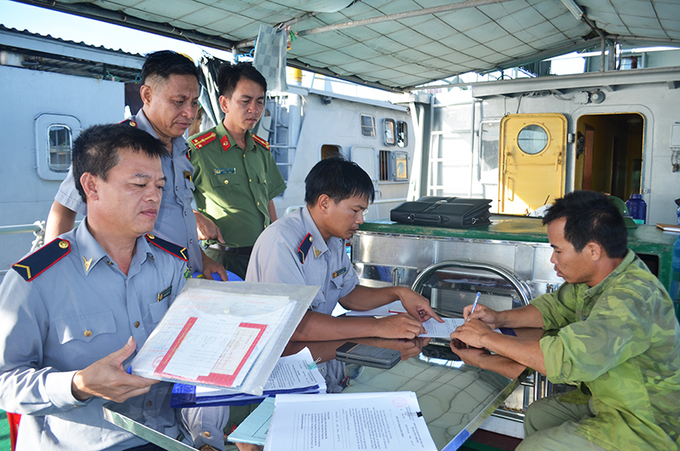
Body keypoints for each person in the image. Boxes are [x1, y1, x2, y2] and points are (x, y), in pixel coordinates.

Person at [0, 124, 226, 450]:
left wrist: (206, 440)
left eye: (160, 186)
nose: (154, 196)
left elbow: (194, 363)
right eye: (139, 184)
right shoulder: (37, 279)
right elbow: (5, 380)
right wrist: (77, 385)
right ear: (91, 186)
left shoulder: (171, 266)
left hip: (167, 440)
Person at [450, 190, 680, 451]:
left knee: (533, 447)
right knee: (540, 416)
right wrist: (498, 318)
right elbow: (553, 308)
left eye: (558, 250)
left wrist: (484, 337)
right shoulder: (599, 277)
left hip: (646, 421)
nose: (553, 259)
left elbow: (565, 358)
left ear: (592, 250)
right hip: (609, 397)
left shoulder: (631, 297)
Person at [246, 157, 442, 390]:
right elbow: (294, 325)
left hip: (319, 361)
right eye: (355, 210)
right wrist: (379, 326)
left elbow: (348, 294)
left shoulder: (334, 238)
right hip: (281, 372)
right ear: (325, 203)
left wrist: (399, 293)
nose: (360, 220)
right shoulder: (281, 242)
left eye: (363, 212)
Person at [44, 50, 227, 281]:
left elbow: (178, 216)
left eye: (193, 102)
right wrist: (58, 277)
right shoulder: (113, 145)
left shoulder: (183, 149)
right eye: (179, 101)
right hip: (133, 280)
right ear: (147, 95)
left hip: (181, 277)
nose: (189, 113)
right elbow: (63, 209)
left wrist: (203, 259)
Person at [189, 62, 286, 279]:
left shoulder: (261, 150)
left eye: (260, 102)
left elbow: (268, 201)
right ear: (224, 103)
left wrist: (278, 243)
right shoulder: (199, 149)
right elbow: (168, 197)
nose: (254, 109)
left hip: (262, 257)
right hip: (223, 261)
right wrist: (195, 217)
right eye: (246, 101)